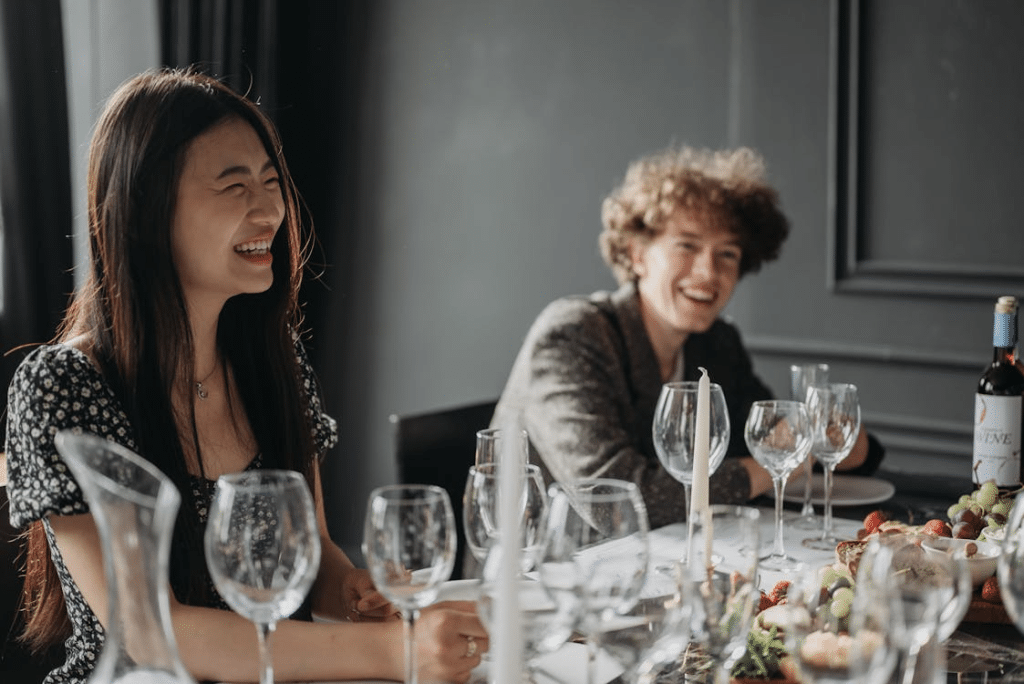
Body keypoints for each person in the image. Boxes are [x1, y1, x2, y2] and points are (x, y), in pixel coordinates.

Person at [4, 68, 488, 684]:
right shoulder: (62, 386)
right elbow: (149, 631)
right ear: (147, 210)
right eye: (234, 187)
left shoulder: (271, 357)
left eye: (270, 181)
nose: (271, 211)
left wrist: (355, 595)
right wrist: (394, 654)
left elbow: (312, 560)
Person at [491, 145, 884, 529]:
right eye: (687, 246)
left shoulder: (715, 343)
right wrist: (784, 458)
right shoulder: (572, 335)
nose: (708, 272)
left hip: (669, 557)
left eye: (727, 254)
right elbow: (616, 503)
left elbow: (768, 434)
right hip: (543, 577)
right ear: (638, 254)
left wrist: (843, 442)